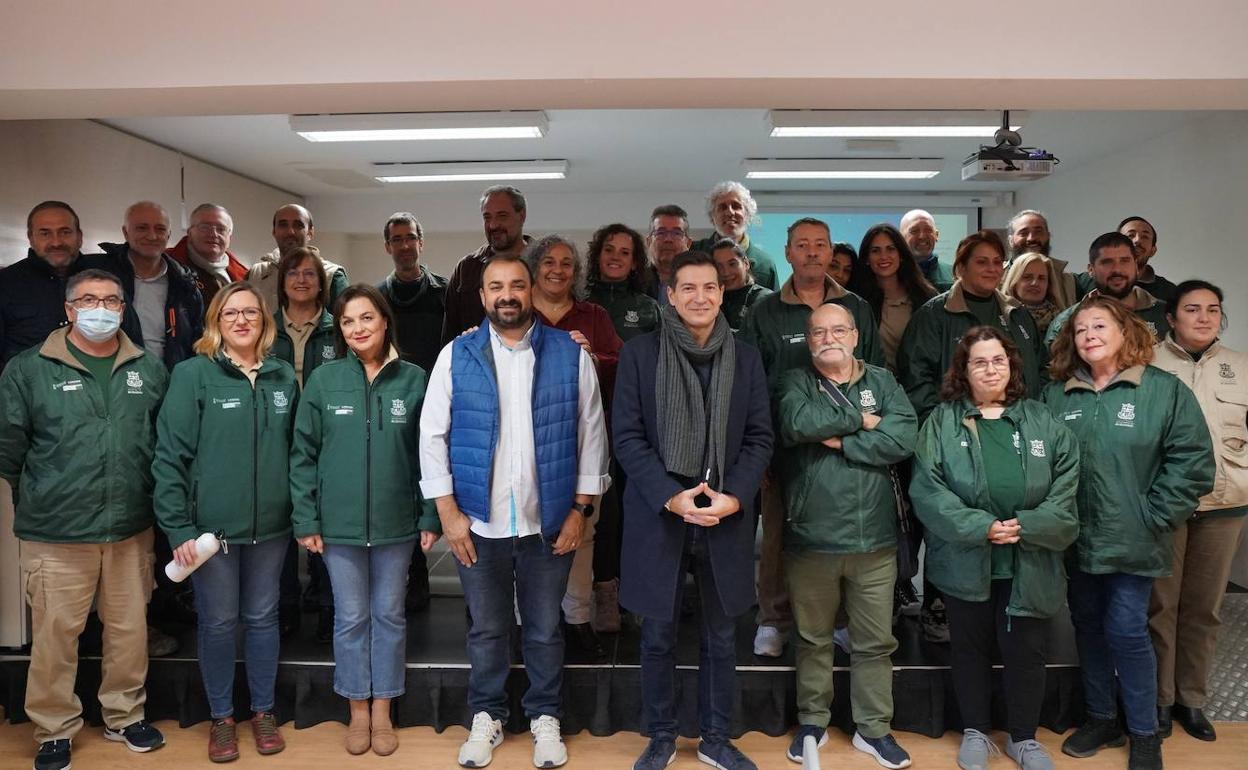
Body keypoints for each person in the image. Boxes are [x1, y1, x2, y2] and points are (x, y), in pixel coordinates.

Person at [419, 255, 609, 769]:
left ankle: (545, 715)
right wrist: (449, 513)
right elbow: (432, 436)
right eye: (496, 286)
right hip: (478, 523)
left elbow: (592, 435)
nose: (507, 294)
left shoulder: (570, 355)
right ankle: (488, 715)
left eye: (517, 285)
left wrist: (580, 510)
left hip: (548, 521)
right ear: (483, 296)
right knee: (487, 629)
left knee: (545, 628)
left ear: (531, 292)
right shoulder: (455, 355)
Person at [0, 268, 169, 770]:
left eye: (112, 301)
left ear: (123, 309)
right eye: (89, 300)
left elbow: (161, 443)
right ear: (69, 310)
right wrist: (45, 492)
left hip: (130, 528)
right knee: (56, 637)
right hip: (57, 531)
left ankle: (124, 715)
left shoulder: (147, 369)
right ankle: (54, 729)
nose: (101, 309)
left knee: (129, 632)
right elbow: (8, 447)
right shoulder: (29, 369)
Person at [615, 250, 773, 770]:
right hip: (660, 514)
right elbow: (628, 438)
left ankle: (716, 738)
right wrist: (670, 495)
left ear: (722, 294)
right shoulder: (640, 354)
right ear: (671, 295)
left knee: (722, 637)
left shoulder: (746, 357)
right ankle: (661, 735)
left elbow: (759, 437)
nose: (699, 297)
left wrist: (735, 497)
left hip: (724, 516)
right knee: (656, 636)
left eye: (709, 287)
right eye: (688, 288)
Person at [1044, 296, 1213, 770]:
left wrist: (1155, 515)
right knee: (1088, 627)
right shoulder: (1057, 395)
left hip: (1135, 538)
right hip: (1075, 539)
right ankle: (1102, 718)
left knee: (1127, 630)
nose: (1089, 335)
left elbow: (1193, 461)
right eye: (1080, 330)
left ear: (1125, 332)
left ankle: (1144, 731)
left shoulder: (1163, 390)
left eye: (1100, 326)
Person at [911, 326, 1080, 770]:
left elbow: (1066, 488)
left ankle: (1024, 738)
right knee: (969, 650)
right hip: (966, 559)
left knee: (1026, 652)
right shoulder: (942, 422)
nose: (991, 369)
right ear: (964, 371)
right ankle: (975, 731)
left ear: (1012, 366)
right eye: (980, 362)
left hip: (1030, 559)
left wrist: (1028, 525)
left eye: (999, 360)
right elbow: (928, 491)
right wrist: (981, 527)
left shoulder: (1042, 420)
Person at [291, 284, 441, 757]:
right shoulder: (323, 381)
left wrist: (430, 514)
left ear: (384, 320)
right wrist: (306, 518)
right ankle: (357, 708)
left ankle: (383, 708)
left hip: (397, 524)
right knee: (351, 617)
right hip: (338, 527)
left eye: (366, 318)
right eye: (348, 321)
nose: (357, 329)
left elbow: (430, 455)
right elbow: (302, 455)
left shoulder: (414, 379)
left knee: (389, 616)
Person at [152, 282, 298, 762]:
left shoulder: (281, 375)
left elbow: (297, 452)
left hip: (272, 528)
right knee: (217, 622)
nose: (241, 320)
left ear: (264, 320)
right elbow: (170, 457)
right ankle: (221, 718)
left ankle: (263, 711)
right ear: (216, 321)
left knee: (262, 619)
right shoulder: (193, 374)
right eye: (230, 313)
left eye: (251, 312)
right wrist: (178, 528)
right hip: (210, 534)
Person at [776, 303, 917, 770]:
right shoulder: (795, 381)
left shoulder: (883, 381)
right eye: (819, 332)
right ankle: (812, 722)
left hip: (874, 539)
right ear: (808, 340)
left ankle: (873, 729)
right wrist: (865, 420)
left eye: (838, 330)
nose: (828, 338)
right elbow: (798, 423)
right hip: (810, 536)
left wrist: (842, 437)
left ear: (856, 336)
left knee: (875, 643)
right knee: (812, 638)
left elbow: (902, 439)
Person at [740, 217, 882, 658]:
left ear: (831, 251)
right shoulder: (765, 310)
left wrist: (864, 431)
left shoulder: (856, 307)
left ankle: (839, 621)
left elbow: (873, 373)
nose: (812, 252)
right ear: (788, 253)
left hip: (845, 445)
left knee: (838, 536)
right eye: (802, 245)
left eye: (820, 244)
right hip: (785, 447)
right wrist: (759, 449)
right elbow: (751, 383)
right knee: (777, 535)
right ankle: (773, 619)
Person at [898, 229, 1046, 644]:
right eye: (981, 261)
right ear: (960, 267)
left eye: (997, 262)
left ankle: (1005, 611)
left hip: (1013, 434)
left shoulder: (1016, 315)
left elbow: (1035, 374)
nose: (991, 269)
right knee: (953, 523)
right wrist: (944, 427)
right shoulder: (934, 314)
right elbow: (916, 379)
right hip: (954, 435)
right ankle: (939, 606)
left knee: (1005, 522)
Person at [1148, 280, 1248, 742]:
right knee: (1160, 606)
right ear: (1171, 317)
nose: (1204, 317)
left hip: (1224, 505)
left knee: (1204, 609)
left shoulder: (1240, 366)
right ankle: (1160, 699)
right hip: (1166, 504)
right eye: (1192, 309)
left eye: (1212, 309)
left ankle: (1192, 700)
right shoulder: (1147, 363)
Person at [523, 234, 622, 660]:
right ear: (533, 267)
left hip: (581, 439)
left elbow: (621, 365)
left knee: (582, 531)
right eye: (549, 261)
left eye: (567, 263)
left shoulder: (593, 315)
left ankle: (577, 618)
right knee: (526, 532)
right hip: (524, 440)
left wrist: (593, 358)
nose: (558, 269)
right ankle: (527, 623)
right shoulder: (516, 312)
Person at [270, 245, 341, 641]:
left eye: (309, 273)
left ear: (321, 283)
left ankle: (328, 605)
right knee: (282, 524)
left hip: (326, 439)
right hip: (275, 438)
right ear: (282, 282)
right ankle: (286, 605)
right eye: (293, 273)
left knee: (324, 522)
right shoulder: (265, 327)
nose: (301, 280)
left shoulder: (337, 327)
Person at [96, 201, 205, 369]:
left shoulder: (185, 286)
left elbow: (197, 343)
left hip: (169, 380)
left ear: (168, 235)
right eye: (142, 228)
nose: (152, 236)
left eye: (160, 229)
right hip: (112, 377)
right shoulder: (100, 275)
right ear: (125, 232)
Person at [1, 201, 101, 370]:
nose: (56, 242)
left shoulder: (105, 282)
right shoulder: (5, 283)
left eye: (65, 232)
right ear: (31, 239)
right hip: (26, 384)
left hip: (98, 383)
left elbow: (130, 344)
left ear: (79, 237)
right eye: (45, 233)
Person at [441, 186, 531, 344]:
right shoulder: (466, 269)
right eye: (487, 217)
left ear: (522, 216)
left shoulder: (544, 265)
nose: (493, 225)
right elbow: (450, 334)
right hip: (476, 358)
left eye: (502, 216)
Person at [1045, 232, 1171, 345]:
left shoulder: (1167, 316)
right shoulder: (1065, 323)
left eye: (1124, 261)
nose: (1117, 269)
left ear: (1136, 267)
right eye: (1107, 262)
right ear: (1091, 270)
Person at [848, 223, 937, 372]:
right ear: (867, 258)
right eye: (875, 251)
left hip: (918, 382)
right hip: (873, 383)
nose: (883, 256)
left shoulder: (926, 298)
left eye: (890, 249)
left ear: (901, 254)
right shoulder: (856, 302)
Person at [376, 212, 448, 373]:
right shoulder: (377, 298)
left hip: (436, 381)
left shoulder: (444, 291)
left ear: (420, 243)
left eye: (411, 238)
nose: (405, 246)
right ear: (388, 247)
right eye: (397, 239)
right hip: (392, 381)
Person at [247, 203, 349, 313]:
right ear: (274, 231)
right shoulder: (255, 274)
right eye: (283, 225)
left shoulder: (332, 275)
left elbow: (346, 319)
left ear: (310, 232)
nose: (290, 232)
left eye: (298, 225)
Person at [691, 181, 779, 290]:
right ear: (712, 217)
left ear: (747, 215)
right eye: (722, 207)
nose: (730, 212)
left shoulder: (765, 264)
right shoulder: (694, 253)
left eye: (736, 206)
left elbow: (774, 301)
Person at [586, 222, 661, 341]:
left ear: (634, 263)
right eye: (609, 250)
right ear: (597, 256)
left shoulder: (649, 308)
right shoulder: (579, 303)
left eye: (624, 253)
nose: (615, 257)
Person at [168, 203, 248, 307]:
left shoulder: (245, 277)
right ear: (190, 233)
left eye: (221, 229)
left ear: (229, 238)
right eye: (205, 227)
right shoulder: (165, 266)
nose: (213, 234)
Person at [1005, 210, 1079, 306]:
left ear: (1048, 236)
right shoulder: (996, 277)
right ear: (1011, 241)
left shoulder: (1068, 280)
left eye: (1038, 232)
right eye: (1024, 233)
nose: (1031, 238)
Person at [711, 238, 771, 331]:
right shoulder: (710, 300)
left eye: (732, 264)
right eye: (719, 266)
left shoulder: (765, 300)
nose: (726, 272)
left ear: (746, 263)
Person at [1002, 252, 1068, 336]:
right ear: (1014, 282)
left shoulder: (1064, 322)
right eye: (1027, 277)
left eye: (1041, 278)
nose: (1035, 283)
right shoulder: (1000, 317)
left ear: (1049, 284)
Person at [1119, 216, 1176, 305]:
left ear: (1153, 251)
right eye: (1130, 235)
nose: (1137, 240)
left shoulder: (1170, 292)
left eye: (1145, 237)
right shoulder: (1096, 283)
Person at [645, 204, 694, 301]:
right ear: (649, 242)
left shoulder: (702, 282)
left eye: (677, 233)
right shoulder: (634, 282)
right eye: (661, 233)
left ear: (688, 244)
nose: (668, 239)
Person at [899, 209, 954, 291]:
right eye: (914, 231)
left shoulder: (953, 276)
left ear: (936, 235)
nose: (922, 236)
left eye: (928, 230)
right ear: (901, 237)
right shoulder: (891, 276)